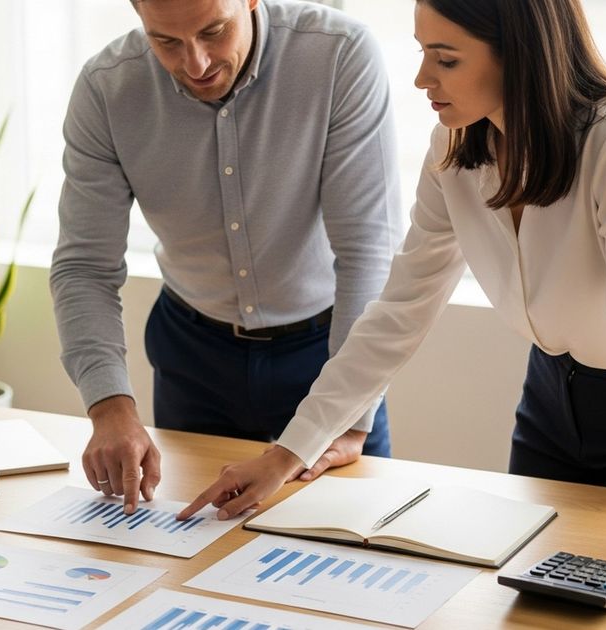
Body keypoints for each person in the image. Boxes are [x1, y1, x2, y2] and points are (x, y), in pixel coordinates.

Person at [179, 0, 606, 570]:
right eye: (423, 53)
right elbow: (399, 310)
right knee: (526, 587)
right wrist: (288, 454)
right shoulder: (453, 145)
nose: (423, 79)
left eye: (446, 59)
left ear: (520, 54)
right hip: (551, 398)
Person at [50, 0, 403, 514]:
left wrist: (346, 415)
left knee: (347, 548)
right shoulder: (107, 88)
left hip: (327, 356)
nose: (196, 64)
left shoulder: (339, 55)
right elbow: (84, 266)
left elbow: (368, 249)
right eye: (166, 41)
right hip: (192, 358)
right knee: (192, 553)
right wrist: (109, 406)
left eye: (214, 31)